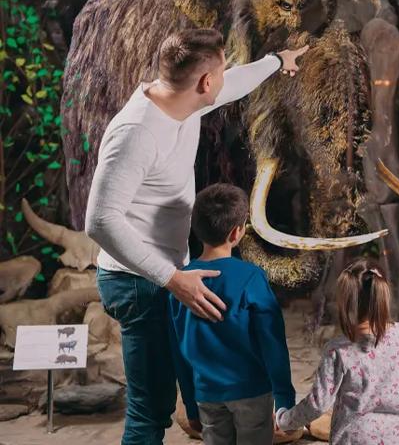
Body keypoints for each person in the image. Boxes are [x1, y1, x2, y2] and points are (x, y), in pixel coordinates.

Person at [85, 27, 308, 444]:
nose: (222, 81)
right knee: (150, 413)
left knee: (187, 398)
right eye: (219, 73)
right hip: (136, 282)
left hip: (166, 273)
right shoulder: (136, 133)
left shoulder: (183, 101)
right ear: (204, 82)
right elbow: (100, 220)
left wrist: (278, 61)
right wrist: (172, 279)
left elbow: (233, 83)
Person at [169, 183, 295, 445]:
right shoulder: (251, 278)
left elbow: (179, 350)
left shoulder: (179, 284)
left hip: (207, 394)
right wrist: (284, 397)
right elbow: (273, 343)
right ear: (237, 232)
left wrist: (190, 403)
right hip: (253, 392)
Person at [275, 258, 399, 444]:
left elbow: (317, 404)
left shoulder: (338, 350)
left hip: (356, 438)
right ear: (384, 293)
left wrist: (284, 420)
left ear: (345, 301)